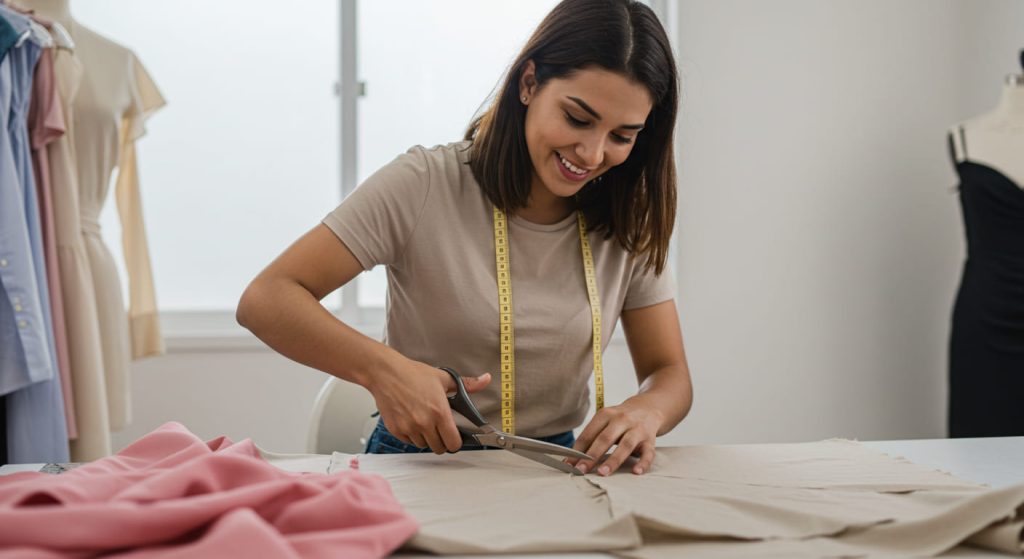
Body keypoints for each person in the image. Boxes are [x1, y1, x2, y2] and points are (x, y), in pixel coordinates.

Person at [237, 0, 692, 477]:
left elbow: (670, 373)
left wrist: (649, 410)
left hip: (556, 467)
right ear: (529, 82)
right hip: (420, 462)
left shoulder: (625, 218)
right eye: (578, 118)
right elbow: (266, 298)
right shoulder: (424, 183)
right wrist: (382, 370)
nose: (593, 153)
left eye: (622, 135)